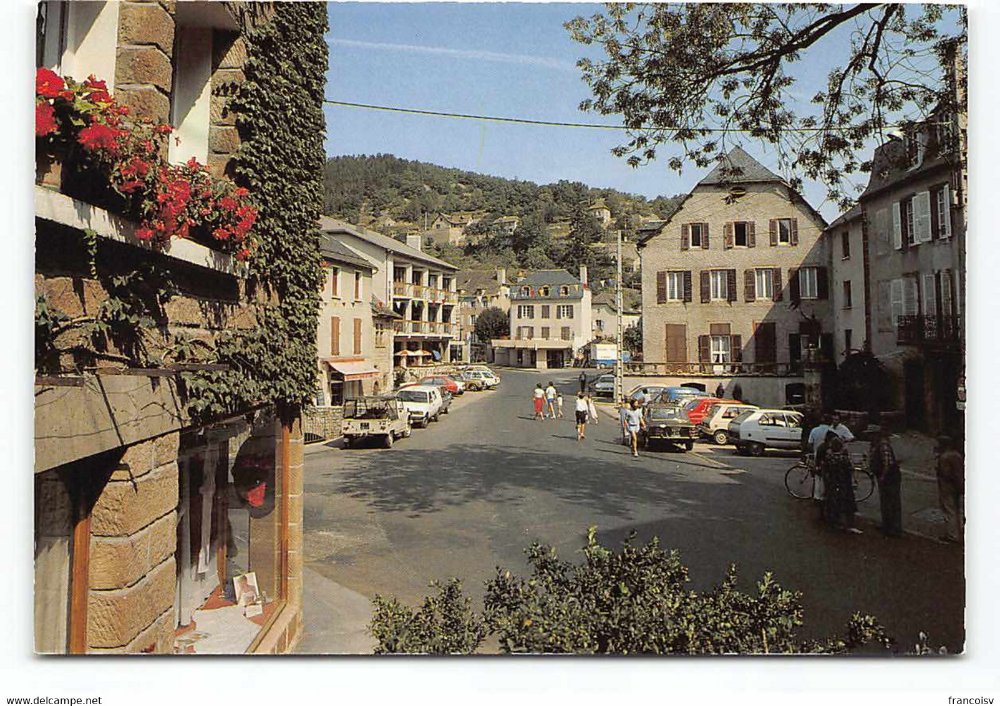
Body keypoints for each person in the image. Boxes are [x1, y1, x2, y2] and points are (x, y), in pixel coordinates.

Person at [820, 435, 861, 533]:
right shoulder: (844, 459)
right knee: (847, 503)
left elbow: (824, 470)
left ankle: (834, 522)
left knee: (832, 502)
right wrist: (854, 481)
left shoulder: (829, 458)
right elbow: (851, 470)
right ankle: (848, 524)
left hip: (832, 483)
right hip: (845, 484)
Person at [868, 424, 902, 537]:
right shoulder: (876, 445)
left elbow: (887, 463)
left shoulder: (883, 445)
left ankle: (894, 527)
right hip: (884, 476)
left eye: (871, 435)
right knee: (885, 502)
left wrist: (882, 476)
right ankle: (887, 524)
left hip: (890, 477)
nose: (870, 437)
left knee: (892, 502)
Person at [936, 435, 964, 543]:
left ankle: (952, 535)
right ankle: (959, 529)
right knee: (957, 508)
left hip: (947, 486)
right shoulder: (957, 455)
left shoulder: (944, 457)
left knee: (949, 509)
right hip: (958, 484)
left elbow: (946, 473)